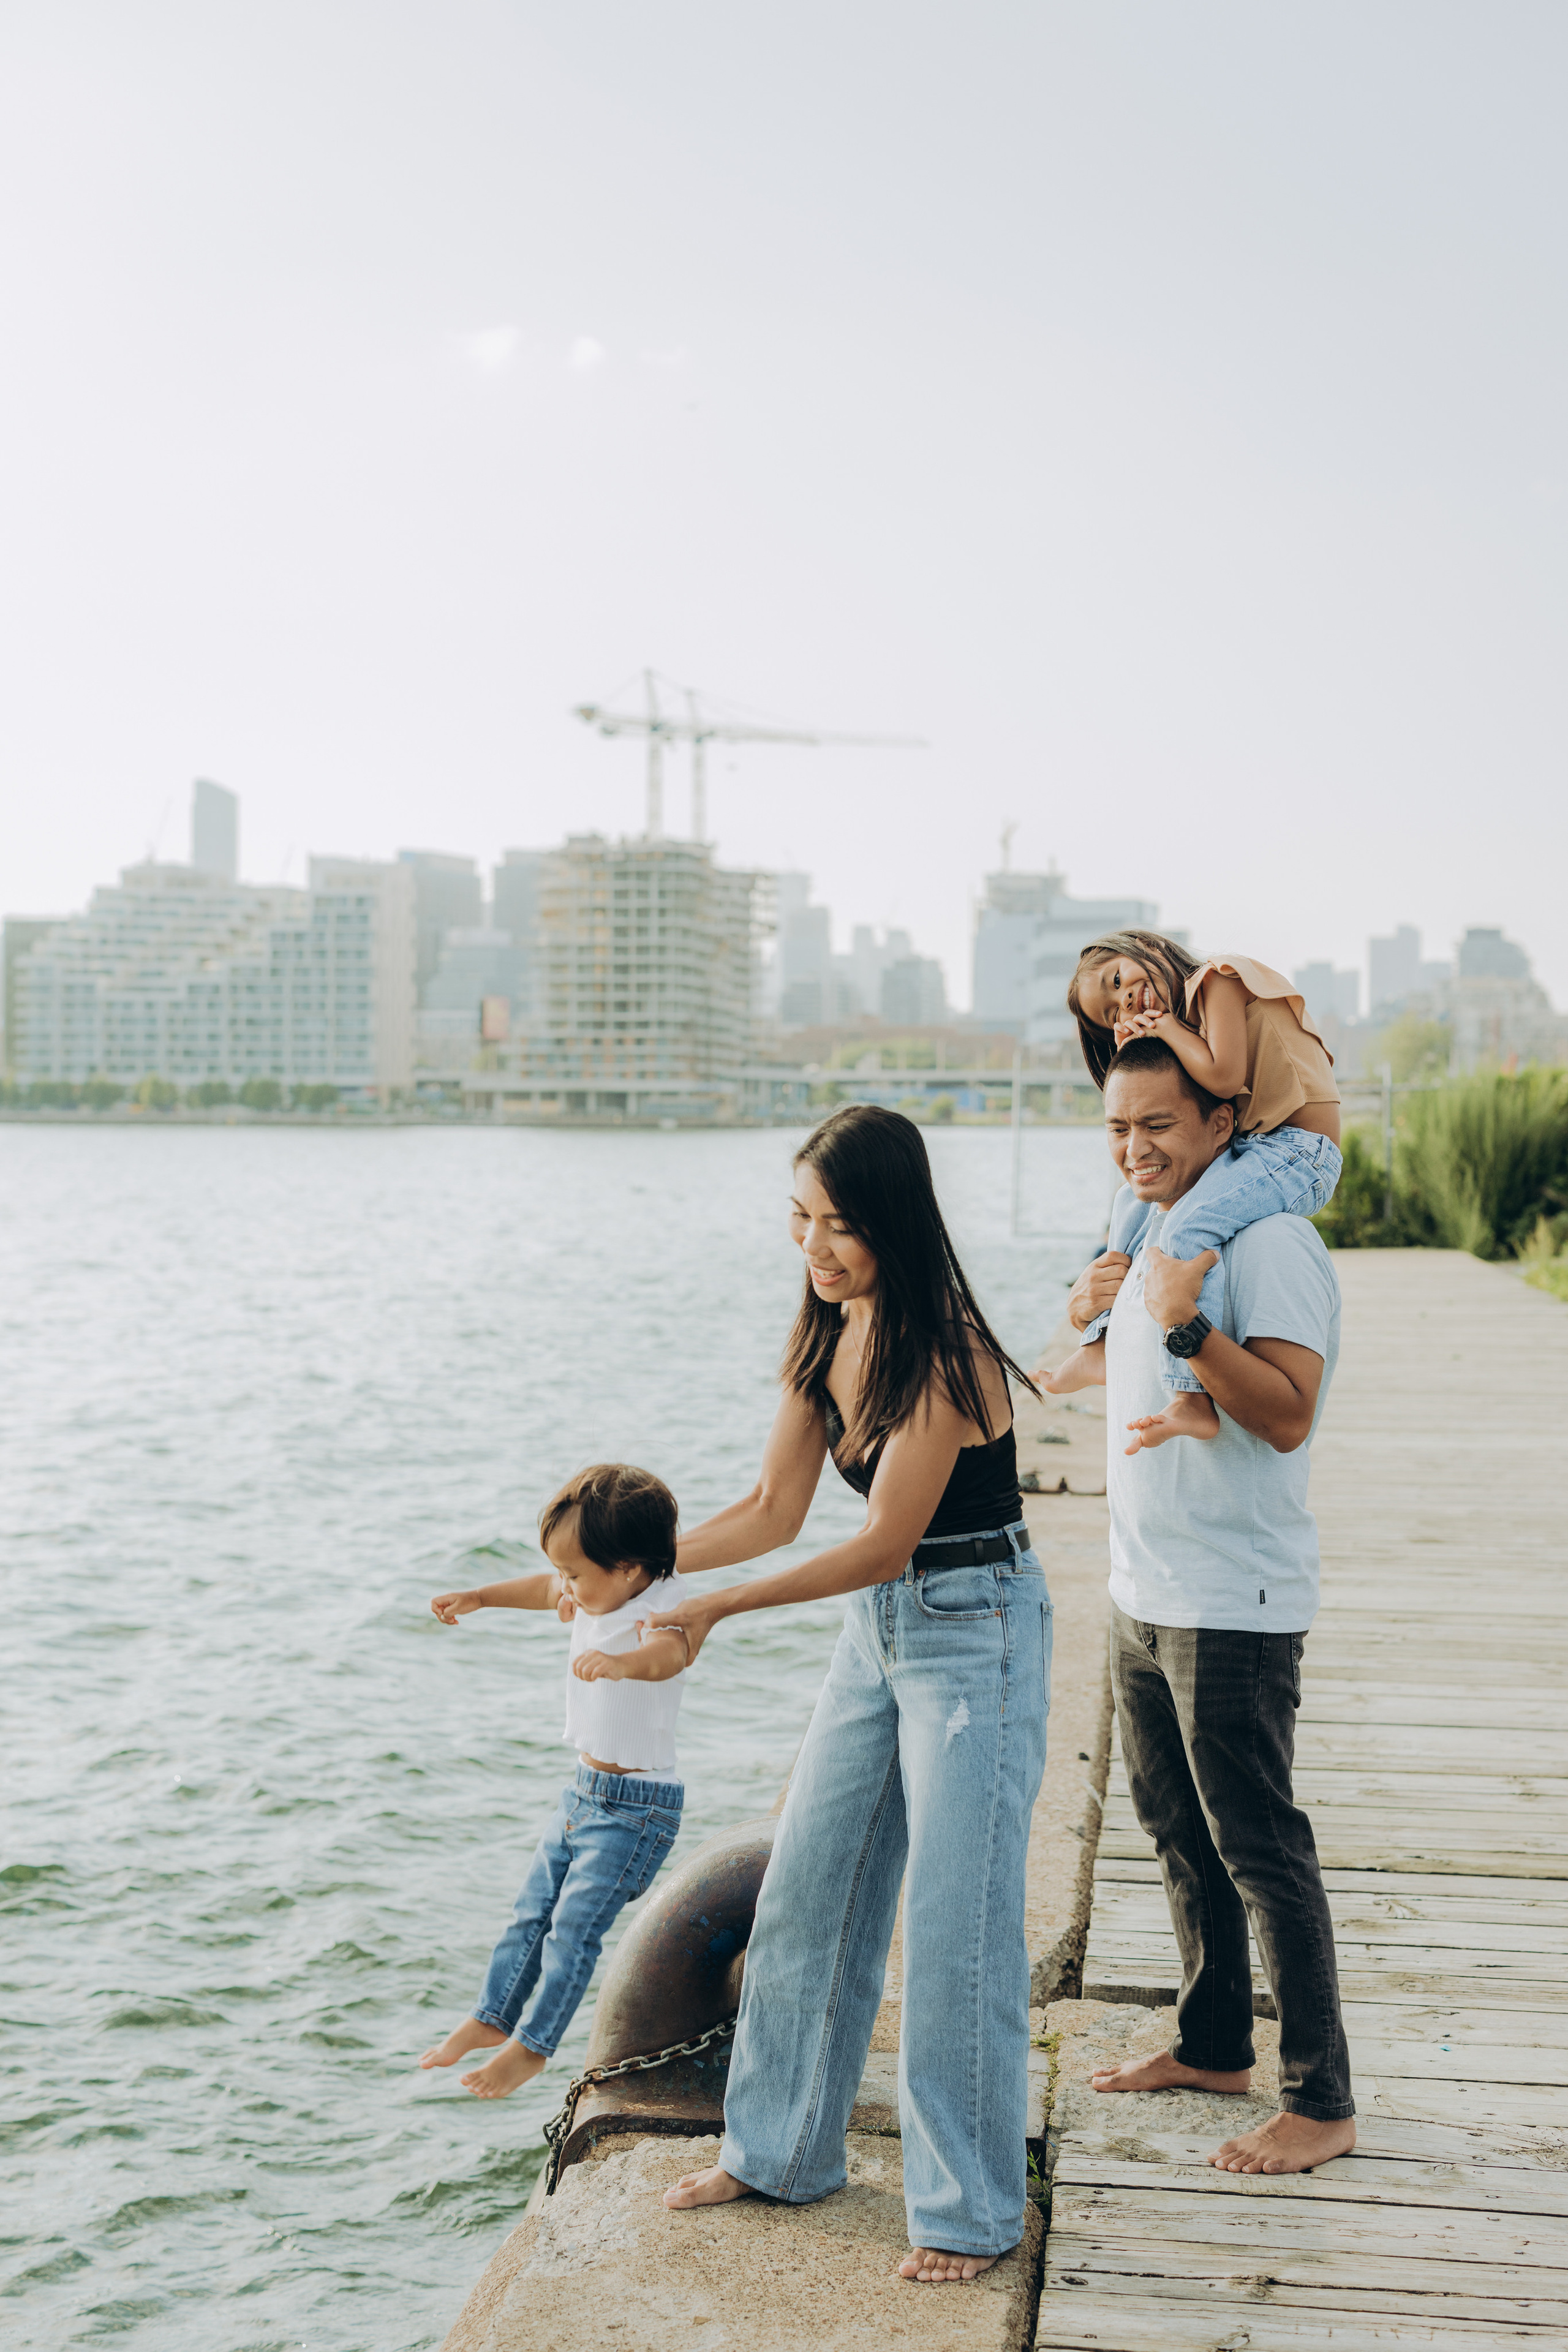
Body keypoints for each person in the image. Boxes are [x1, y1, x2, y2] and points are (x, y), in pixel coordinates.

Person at [645, 1104, 1051, 2287]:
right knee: (810, 1889)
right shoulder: (829, 1335)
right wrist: (639, 1573)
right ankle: (776, 2152)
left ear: (892, 1222)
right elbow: (770, 1511)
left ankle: (972, 2211)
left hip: (977, 1631)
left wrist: (720, 1611)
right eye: (801, 1219)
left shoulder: (950, 1352)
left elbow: (882, 1542)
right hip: (880, 1640)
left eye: (839, 1225)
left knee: (957, 1927)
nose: (816, 1248)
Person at [1069, 1033, 1356, 2174]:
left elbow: (1287, 1412)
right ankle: (1213, 2041)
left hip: (1231, 1599)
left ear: (1222, 1125)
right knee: (1175, 1831)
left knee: (1261, 1849)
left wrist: (1189, 1325)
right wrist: (1104, 1308)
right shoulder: (1151, 1237)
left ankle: (1322, 2101)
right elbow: (1116, 1375)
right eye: (1119, 1128)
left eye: (1160, 1127)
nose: (1137, 1149)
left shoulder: (1273, 1239)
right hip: (1144, 1585)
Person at [418, 1463, 689, 2100]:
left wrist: (623, 1664)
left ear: (627, 1567)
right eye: (563, 1572)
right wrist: (480, 1597)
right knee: (529, 1916)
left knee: (573, 1931)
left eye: (575, 1574)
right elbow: (543, 1590)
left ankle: (531, 2049)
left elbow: (671, 1654)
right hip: (582, 1793)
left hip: (637, 1810)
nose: (564, 1587)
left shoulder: (663, 1604)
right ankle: (492, 2017)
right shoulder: (595, 1589)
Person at [1045, 930, 1343, 1449]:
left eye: (1118, 980)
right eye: (1113, 1011)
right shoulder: (1189, 1024)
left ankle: (1191, 1396)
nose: (1127, 1001)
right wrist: (1145, 1046)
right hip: (1259, 1146)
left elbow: (1223, 1079)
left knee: (1189, 1224)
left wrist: (1162, 1027)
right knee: (1128, 1204)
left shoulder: (1217, 980)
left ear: (1146, 947)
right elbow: (1179, 1088)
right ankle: (1103, 1340)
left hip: (1299, 1152)